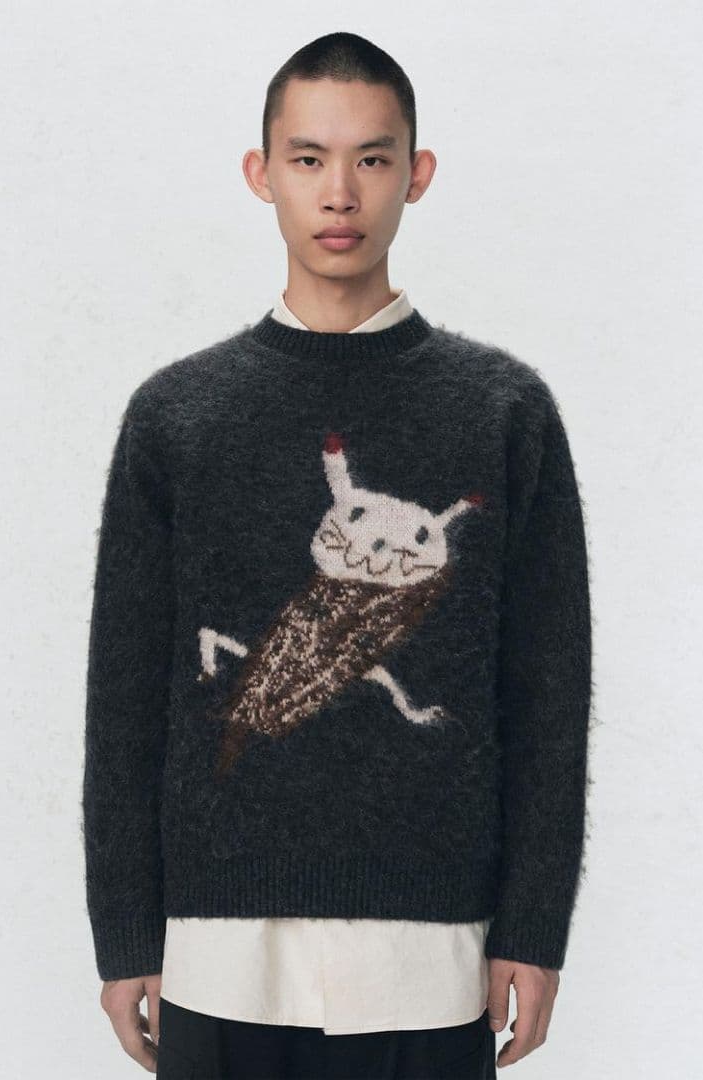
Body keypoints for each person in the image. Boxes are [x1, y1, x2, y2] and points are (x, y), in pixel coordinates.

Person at [81, 31, 593, 1080]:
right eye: (308, 158)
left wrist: (534, 925)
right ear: (260, 172)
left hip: (434, 954)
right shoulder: (176, 415)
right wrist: (126, 933)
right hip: (217, 954)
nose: (340, 192)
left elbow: (547, 689)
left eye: (372, 158)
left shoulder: (504, 410)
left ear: (418, 173)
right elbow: (125, 694)